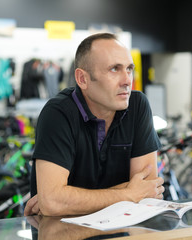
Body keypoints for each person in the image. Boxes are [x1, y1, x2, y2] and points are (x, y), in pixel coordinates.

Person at [24, 33, 165, 216]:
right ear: (82, 79)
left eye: (129, 69)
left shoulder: (137, 106)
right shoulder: (58, 113)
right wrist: (129, 193)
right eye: (114, 69)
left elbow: (148, 191)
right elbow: (53, 202)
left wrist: (68, 198)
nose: (127, 81)